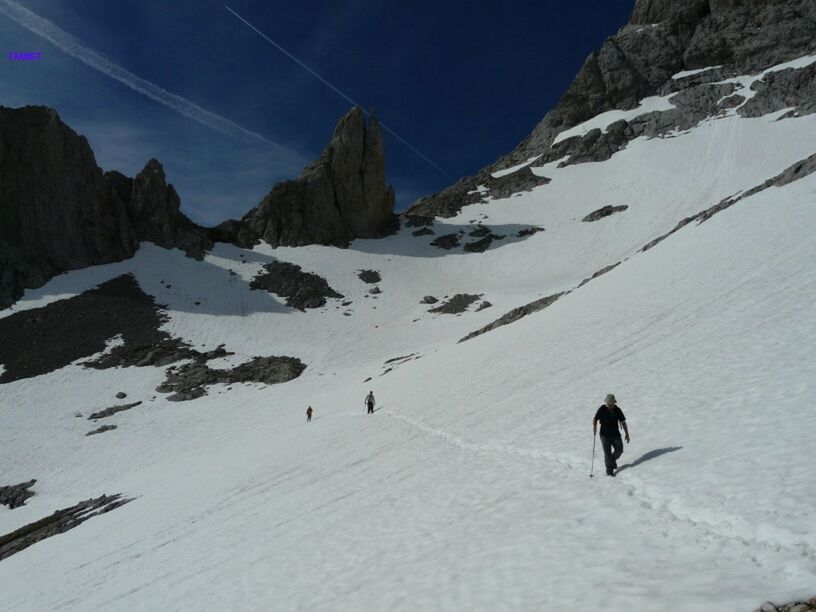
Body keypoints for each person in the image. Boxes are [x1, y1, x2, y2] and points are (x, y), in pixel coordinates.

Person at [592, 393, 630, 476]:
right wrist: (594, 427)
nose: (610, 405)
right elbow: (595, 419)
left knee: (619, 450)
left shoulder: (617, 410)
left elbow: (623, 422)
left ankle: (611, 461)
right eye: (608, 403)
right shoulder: (602, 409)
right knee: (607, 453)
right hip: (604, 435)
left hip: (615, 434)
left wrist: (627, 433)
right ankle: (609, 472)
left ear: (614, 403)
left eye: (611, 403)